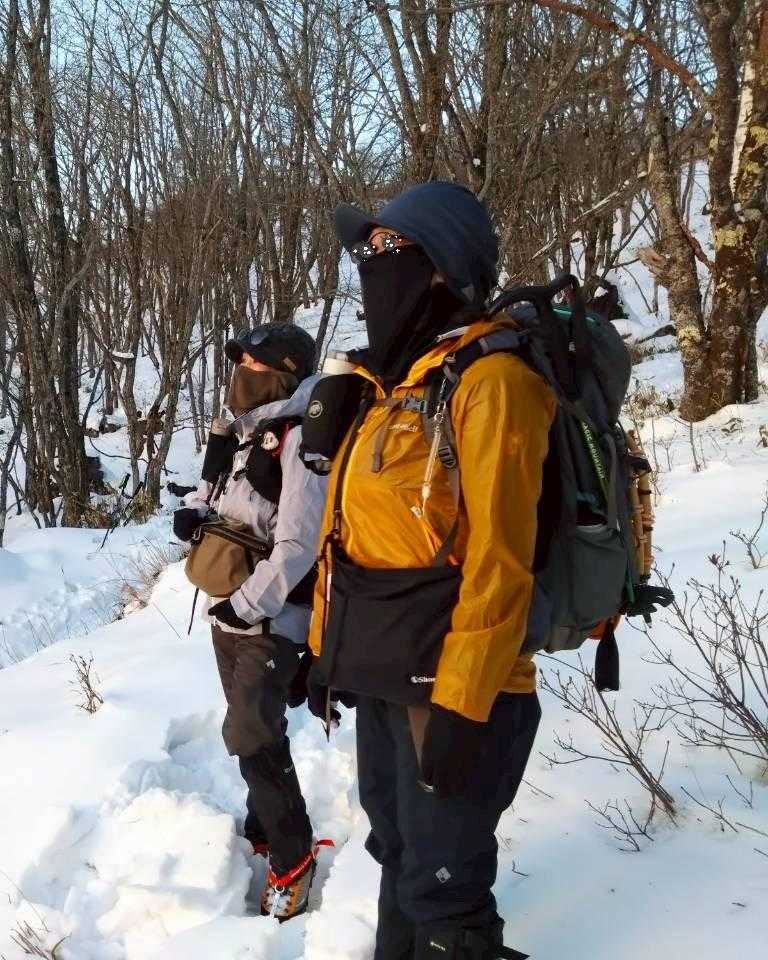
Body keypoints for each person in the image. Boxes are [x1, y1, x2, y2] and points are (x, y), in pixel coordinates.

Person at [307, 182, 553, 959]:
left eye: (389, 248)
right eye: (366, 249)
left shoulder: (493, 383)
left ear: (443, 263)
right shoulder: (393, 385)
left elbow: (503, 560)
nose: (371, 262)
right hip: (387, 674)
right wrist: (325, 649)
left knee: (445, 896)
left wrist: (462, 704)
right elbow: (349, 536)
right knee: (400, 857)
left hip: (459, 687)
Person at [173, 322, 328, 921]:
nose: (243, 374)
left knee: (250, 735)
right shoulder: (248, 430)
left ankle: (293, 860)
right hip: (231, 613)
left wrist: (247, 605)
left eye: (256, 366)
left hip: (270, 617)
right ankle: (264, 827)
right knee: (256, 730)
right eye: (240, 364)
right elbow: (225, 497)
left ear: (285, 374)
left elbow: (298, 545)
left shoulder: (300, 439)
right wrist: (195, 512)